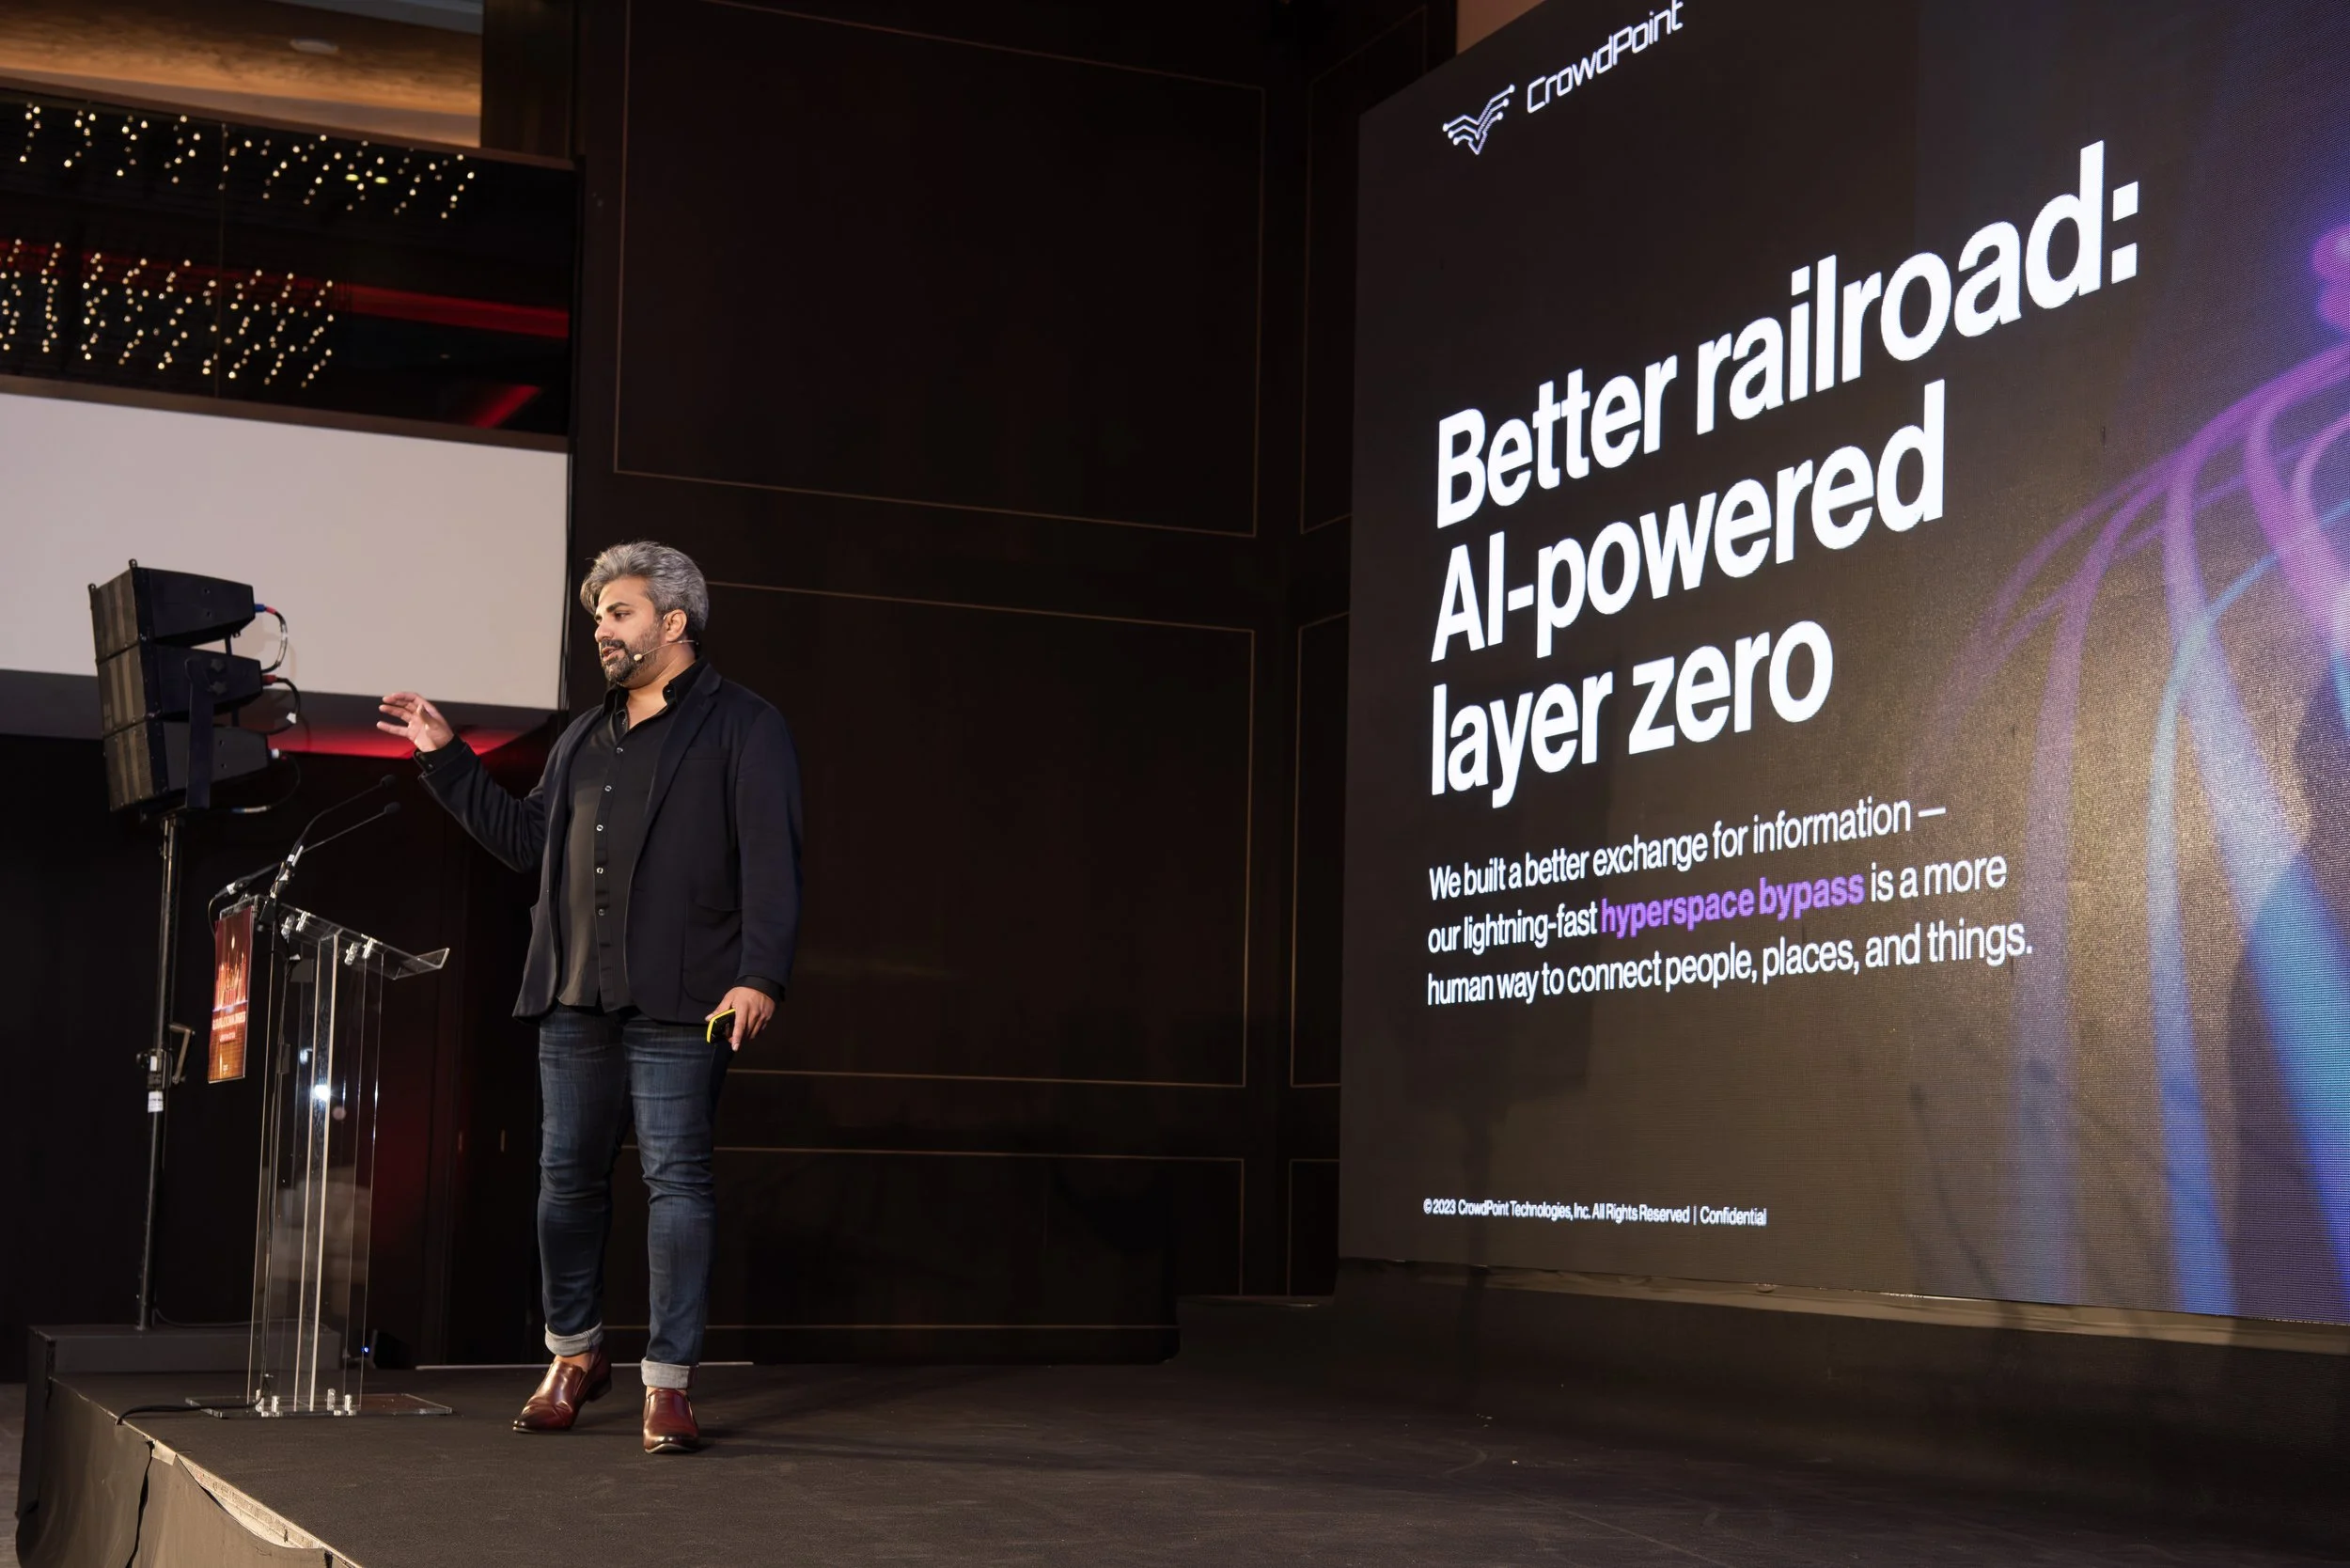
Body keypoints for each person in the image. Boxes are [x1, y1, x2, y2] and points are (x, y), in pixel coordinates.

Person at [377, 541, 802, 1454]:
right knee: (564, 1185)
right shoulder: (583, 735)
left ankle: (669, 1383)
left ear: (673, 622)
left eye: (619, 613)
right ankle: (573, 1356)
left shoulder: (744, 726)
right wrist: (448, 761)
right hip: (574, 998)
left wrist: (759, 973)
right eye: (598, 617)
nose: (601, 631)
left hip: (688, 1003)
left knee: (676, 1184)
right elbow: (526, 842)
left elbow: (773, 858)